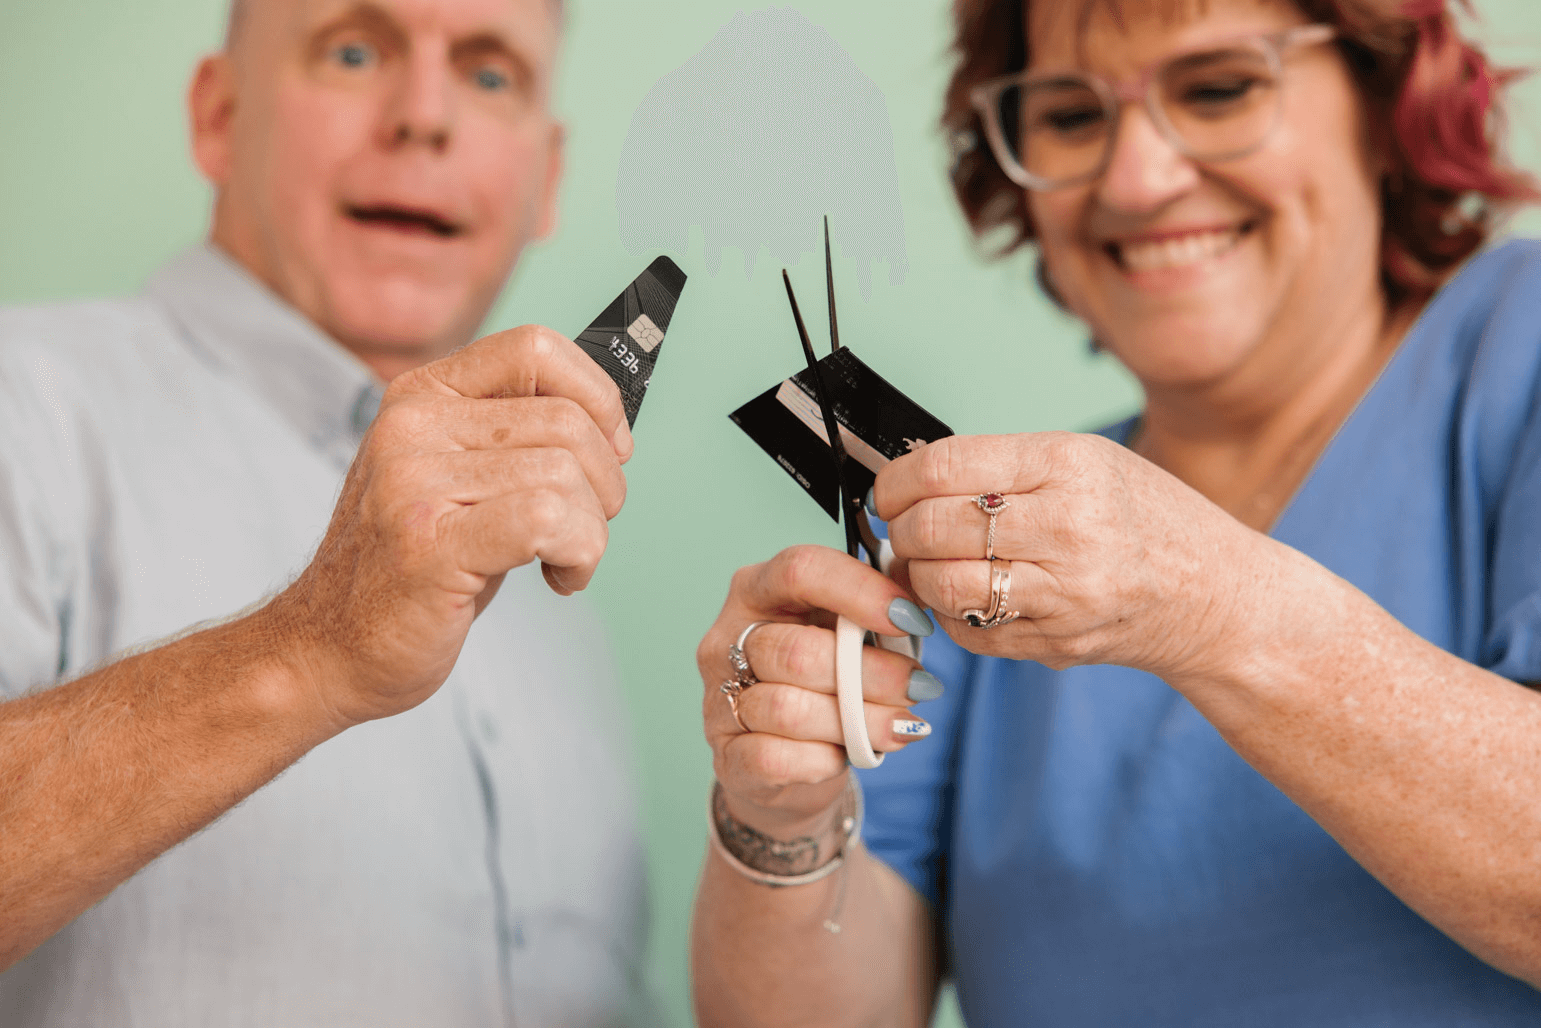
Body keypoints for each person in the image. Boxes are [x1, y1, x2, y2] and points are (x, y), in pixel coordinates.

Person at [692, 0, 1541, 1024]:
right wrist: (776, 819)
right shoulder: (995, 551)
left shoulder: (1517, 355)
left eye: (1218, 88)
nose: (1135, 181)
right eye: (1068, 115)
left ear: (1383, 101)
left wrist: (1203, 601)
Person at [0, 0, 657, 1024]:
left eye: (489, 75)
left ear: (547, 179)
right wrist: (311, 647)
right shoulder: (23, 407)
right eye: (354, 50)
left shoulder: (564, 609)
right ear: (218, 114)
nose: (424, 116)